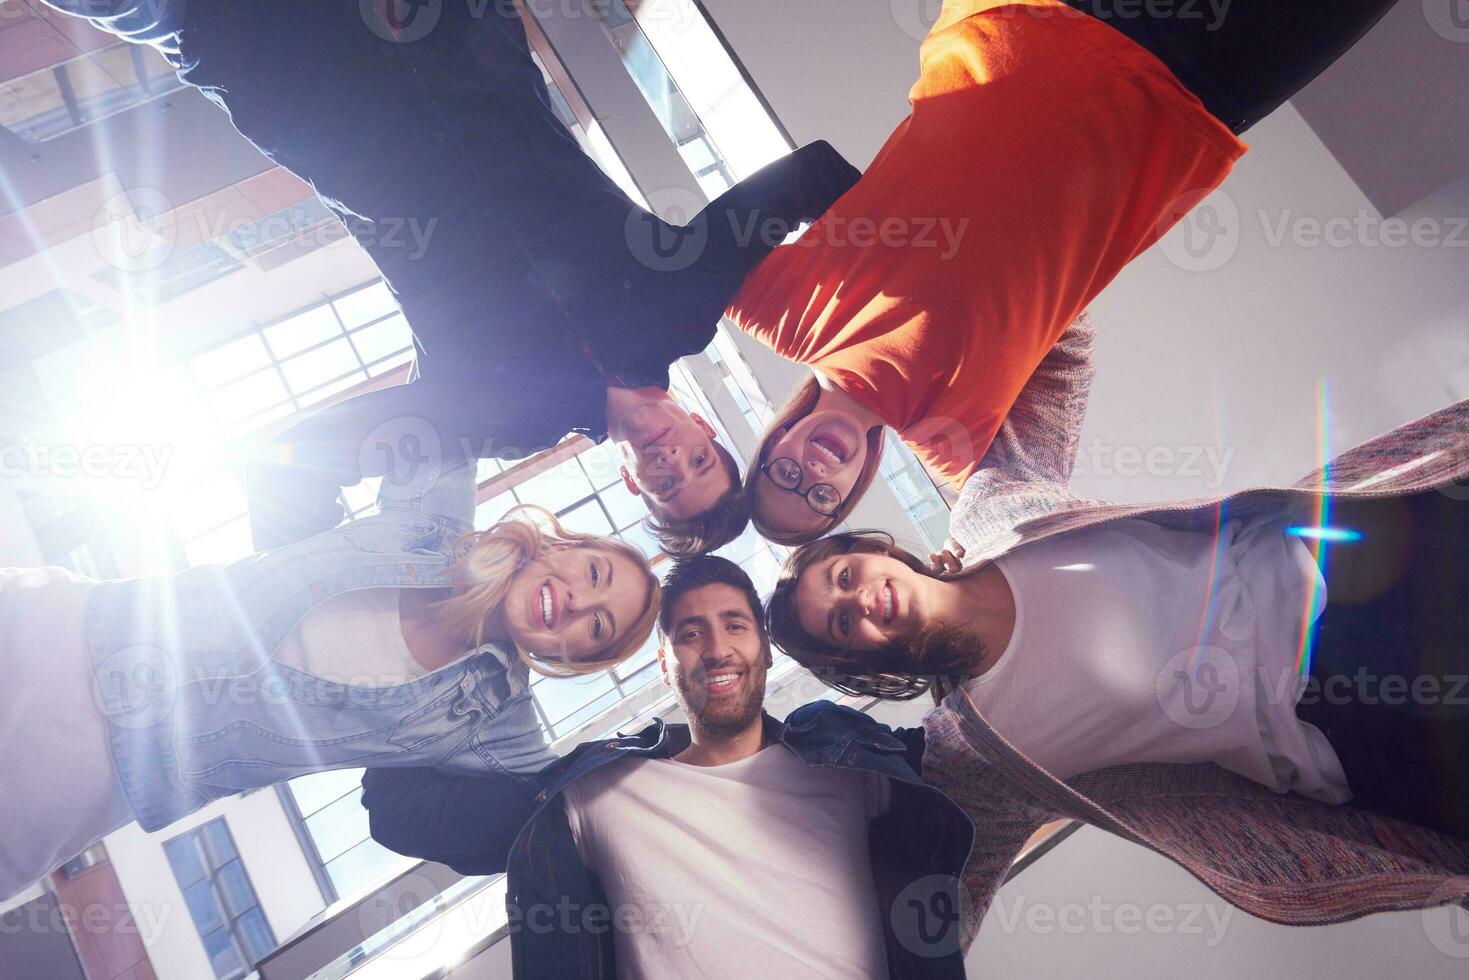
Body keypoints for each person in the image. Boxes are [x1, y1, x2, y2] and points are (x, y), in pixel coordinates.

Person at [36, 0, 860, 556]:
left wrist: (315, 596)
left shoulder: (499, 419)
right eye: (697, 464)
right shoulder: (684, 309)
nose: (668, 463)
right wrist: (934, 256)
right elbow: (800, 184)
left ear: (627, 479)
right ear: (710, 433)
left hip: (273, 60)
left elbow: (293, 457)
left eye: (662, 487)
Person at [764, 314, 1469, 942]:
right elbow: (945, 905)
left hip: (1346, 567)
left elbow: (1052, 339)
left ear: (870, 551)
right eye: (840, 624)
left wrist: (868, 387)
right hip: (1343, 726)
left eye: (845, 578)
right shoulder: (974, 755)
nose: (859, 602)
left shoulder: (991, 511)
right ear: (857, 659)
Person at [721, 0, 1402, 543]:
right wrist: (978, 554)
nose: (811, 472)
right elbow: (1024, 502)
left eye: (782, 473)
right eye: (818, 499)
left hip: (1037, 17)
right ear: (850, 494)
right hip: (1191, 96)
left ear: (773, 440)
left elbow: (651, 259)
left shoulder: (766, 305)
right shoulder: (956, 443)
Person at [0, 420, 660, 903]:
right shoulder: (432, 523)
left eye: (598, 626)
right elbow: (452, 387)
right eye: (594, 572)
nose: (577, 602)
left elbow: (547, 820)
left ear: (577, 656)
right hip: (65, 624)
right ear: (563, 547)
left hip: (96, 776)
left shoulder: (496, 726)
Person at [360, 556, 974, 978]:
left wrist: (956, 594)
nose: (716, 648)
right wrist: (479, 631)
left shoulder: (851, 763)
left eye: (735, 625)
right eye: (689, 633)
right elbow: (400, 810)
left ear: (761, 647)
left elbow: (981, 744)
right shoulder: (596, 792)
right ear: (664, 663)